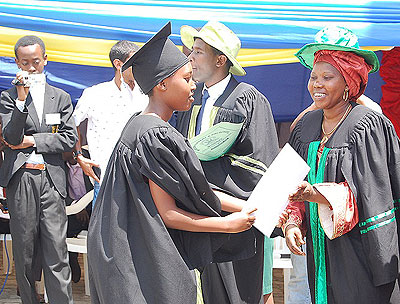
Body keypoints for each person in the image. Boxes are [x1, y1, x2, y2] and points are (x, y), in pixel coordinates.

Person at [87, 22, 261, 304]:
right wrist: (228, 225)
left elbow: (192, 190)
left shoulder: (139, 125)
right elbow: (168, 214)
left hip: (120, 246)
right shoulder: (155, 135)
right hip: (136, 256)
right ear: (163, 84)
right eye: (187, 78)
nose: (194, 86)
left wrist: (252, 207)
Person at [283, 25, 400, 303]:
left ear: (348, 81)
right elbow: (289, 183)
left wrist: (314, 193)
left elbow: (372, 192)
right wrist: (292, 223)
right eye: (313, 77)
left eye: (327, 77)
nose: (317, 84)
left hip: (359, 253)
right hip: (319, 252)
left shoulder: (367, 124)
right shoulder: (305, 127)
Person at [173, 21, 279, 304]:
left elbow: (259, 163)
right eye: (191, 51)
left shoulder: (247, 98)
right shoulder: (192, 100)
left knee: (238, 294)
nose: (190, 58)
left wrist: (209, 176)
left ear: (221, 60)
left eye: (197, 52)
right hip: (200, 218)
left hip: (236, 222)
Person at [0, 35, 77, 303]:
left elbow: (69, 138)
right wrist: (21, 100)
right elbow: (10, 137)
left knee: (57, 250)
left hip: (52, 181)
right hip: (21, 180)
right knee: (24, 252)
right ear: (16, 63)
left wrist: (32, 141)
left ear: (45, 59)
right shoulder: (8, 97)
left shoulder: (61, 97)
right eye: (25, 63)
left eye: (36, 61)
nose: (31, 68)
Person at [72, 40, 148, 206]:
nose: (139, 67)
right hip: (106, 177)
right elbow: (71, 124)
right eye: (134, 62)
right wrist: (79, 157)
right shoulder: (95, 94)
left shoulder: (146, 96)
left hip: (140, 179)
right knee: (103, 230)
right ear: (118, 64)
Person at [63, 149, 93, 283]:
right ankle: (72, 260)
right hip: (71, 210)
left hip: (93, 208)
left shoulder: (88, 158)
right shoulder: (58, 165)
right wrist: (76, 206)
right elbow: (58, 191)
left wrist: (84, 206)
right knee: (63, 228)